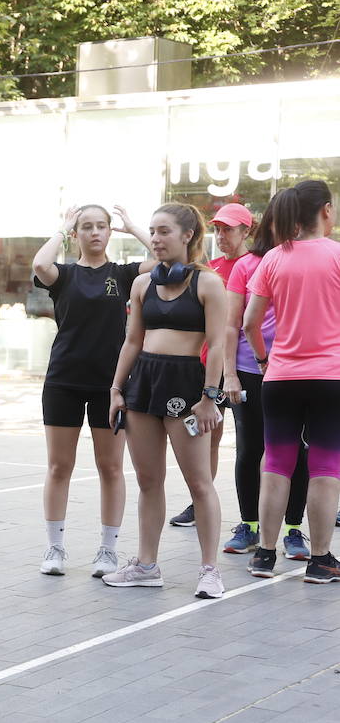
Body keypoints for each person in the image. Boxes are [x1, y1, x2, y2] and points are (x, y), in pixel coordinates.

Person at [106, 203, 229, 598]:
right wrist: (116, 389)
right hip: (144, 383)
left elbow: (217, 343)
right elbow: (131, 341)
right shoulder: (142, 285)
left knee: (199, 483)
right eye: (153, 232)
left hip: (187, 387)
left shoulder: (208, 283)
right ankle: (146, 565)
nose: (156, 239)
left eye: (163, 232)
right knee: (147, 481)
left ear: (187, 235)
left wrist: (211, 396)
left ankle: (210, 571)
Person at [32, 204, 151, 577]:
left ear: (110, 232)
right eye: (87, 227)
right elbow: (39, 265)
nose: (95, 232)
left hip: (111, 384)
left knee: (111, 467)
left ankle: (107, 551)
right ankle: (54, 549)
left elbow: (166, 260)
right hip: (63, 380)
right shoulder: (64, 274)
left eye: (102, 226)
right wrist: (61, 228)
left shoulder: (125, 274)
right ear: (77, 234)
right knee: (59, 466)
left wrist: (133, 227)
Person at [243, 179, 340, 584]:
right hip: (330, 378)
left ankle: (264, 555)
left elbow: (249, 323)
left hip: (280, 377)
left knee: (275, 464)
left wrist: (265, 361)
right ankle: (320, 561)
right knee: (325, 467)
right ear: (326, 211)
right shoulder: (337, 255)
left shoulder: (273, 259)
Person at [218, 201, 310, 558]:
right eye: (278, 223)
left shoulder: (304, 261)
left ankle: (292, 530)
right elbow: (231, 324)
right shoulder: (246, 265)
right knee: (250, 448)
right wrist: (229, 376)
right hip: (248, 370)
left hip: (292, 371)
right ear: (267, 226)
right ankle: (250, 526)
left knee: (297, 452)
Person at [167, 203, 247, 529]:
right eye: (217, 228)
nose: (221, 235)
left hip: (240, 371)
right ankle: (200, 500)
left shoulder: (253, 265)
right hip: (205, 369)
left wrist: (236, 370)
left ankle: (252, 518)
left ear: (246, 231)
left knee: (249, 445)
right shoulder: (210, 269)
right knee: (206, 439)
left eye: (228, 229)